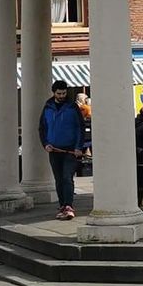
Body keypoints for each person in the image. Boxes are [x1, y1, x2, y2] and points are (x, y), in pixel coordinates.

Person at [40, 80, 89, 221]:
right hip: (54, 149)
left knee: (67, 177)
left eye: (64, 93)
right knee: (58, 179)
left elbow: (80, 127)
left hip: (71, 150)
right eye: (59, 93)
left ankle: (68, 205)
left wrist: (79, 147)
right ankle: (62, 205)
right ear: (54, 93)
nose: (62, 95)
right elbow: (42, 128)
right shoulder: (48, 107)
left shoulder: (73, 107)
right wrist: (45, 144)